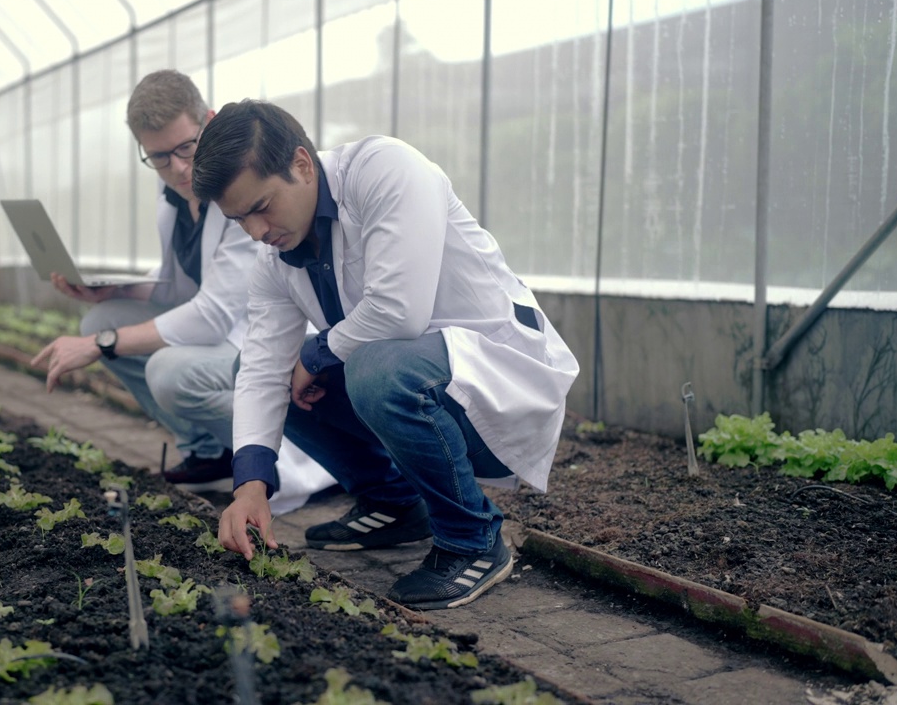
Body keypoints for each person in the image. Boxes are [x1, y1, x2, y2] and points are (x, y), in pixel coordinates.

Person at [192, 100, 579, 610]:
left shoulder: (385, 170)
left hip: (503, 378)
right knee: (264, 367)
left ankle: (474, 541)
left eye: (261, 207)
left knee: (372, 368)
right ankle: (394, 503)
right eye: (239, 219)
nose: (257, 232)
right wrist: (249, 486)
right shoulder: (275, 259)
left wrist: (319, 350)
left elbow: (400, 313)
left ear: (302, 165)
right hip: (424, 385)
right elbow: (263, 370)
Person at [28, 71, 339, 507]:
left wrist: (102, 345)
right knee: (101, 317)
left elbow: (212, 315)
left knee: (165, 369)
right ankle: (208, 452)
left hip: (255, 338)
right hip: (218, 334)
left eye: (186, 148)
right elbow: (181, 283)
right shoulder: (173, 193)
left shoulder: (239, 193)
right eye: (158, 157)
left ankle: (303, 455)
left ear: (208, 122)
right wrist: (111, 293)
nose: (177, 168)